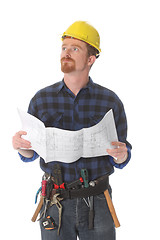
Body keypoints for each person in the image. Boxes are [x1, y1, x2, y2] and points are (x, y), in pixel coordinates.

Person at [12, 21, 132, 240]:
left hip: (98, 201)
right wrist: (21, 147)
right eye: (64, 47)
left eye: (74, 48)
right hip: (55, 202)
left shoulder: (110, 101)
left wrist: (122, 154)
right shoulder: (42, 100)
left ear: (90, 59)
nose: (66, 52)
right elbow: (31, 153)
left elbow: (122, 155)